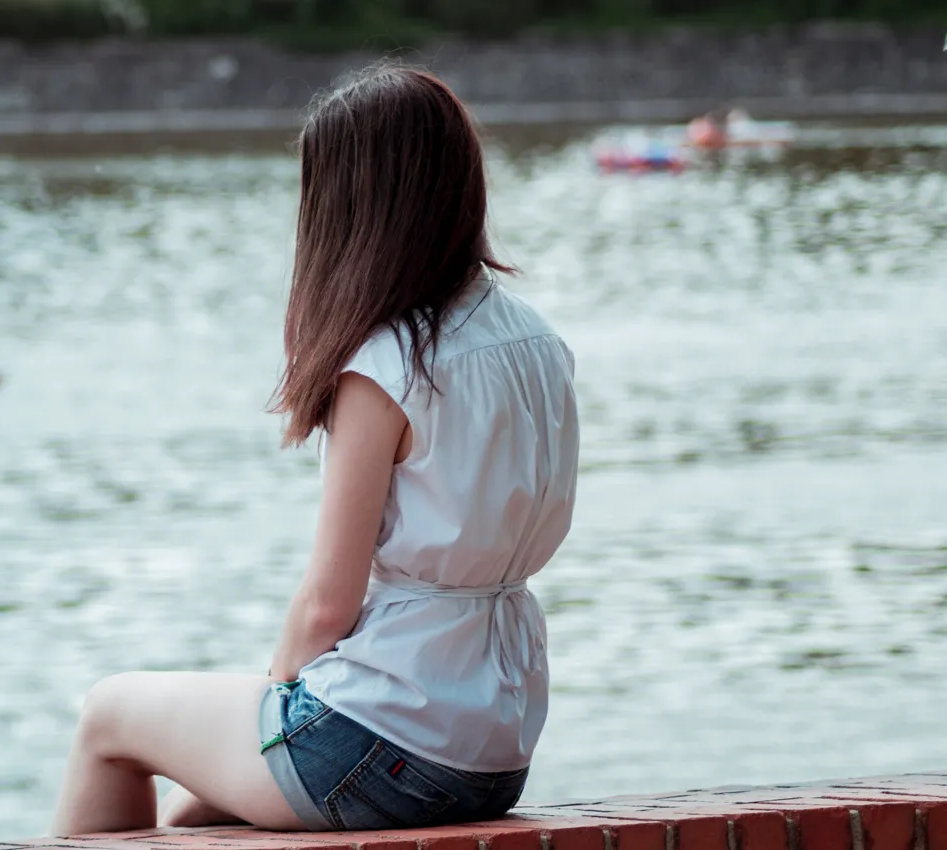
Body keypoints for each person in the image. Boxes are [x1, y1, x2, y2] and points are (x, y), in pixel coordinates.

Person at [49, 64, 580, 836]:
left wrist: (274, 708)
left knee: (107, 717)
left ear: (351, 205)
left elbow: (328, 605)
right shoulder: (537, 340)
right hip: (494, 746)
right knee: (199, 813)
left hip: (388, 741)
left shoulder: (394, 361)